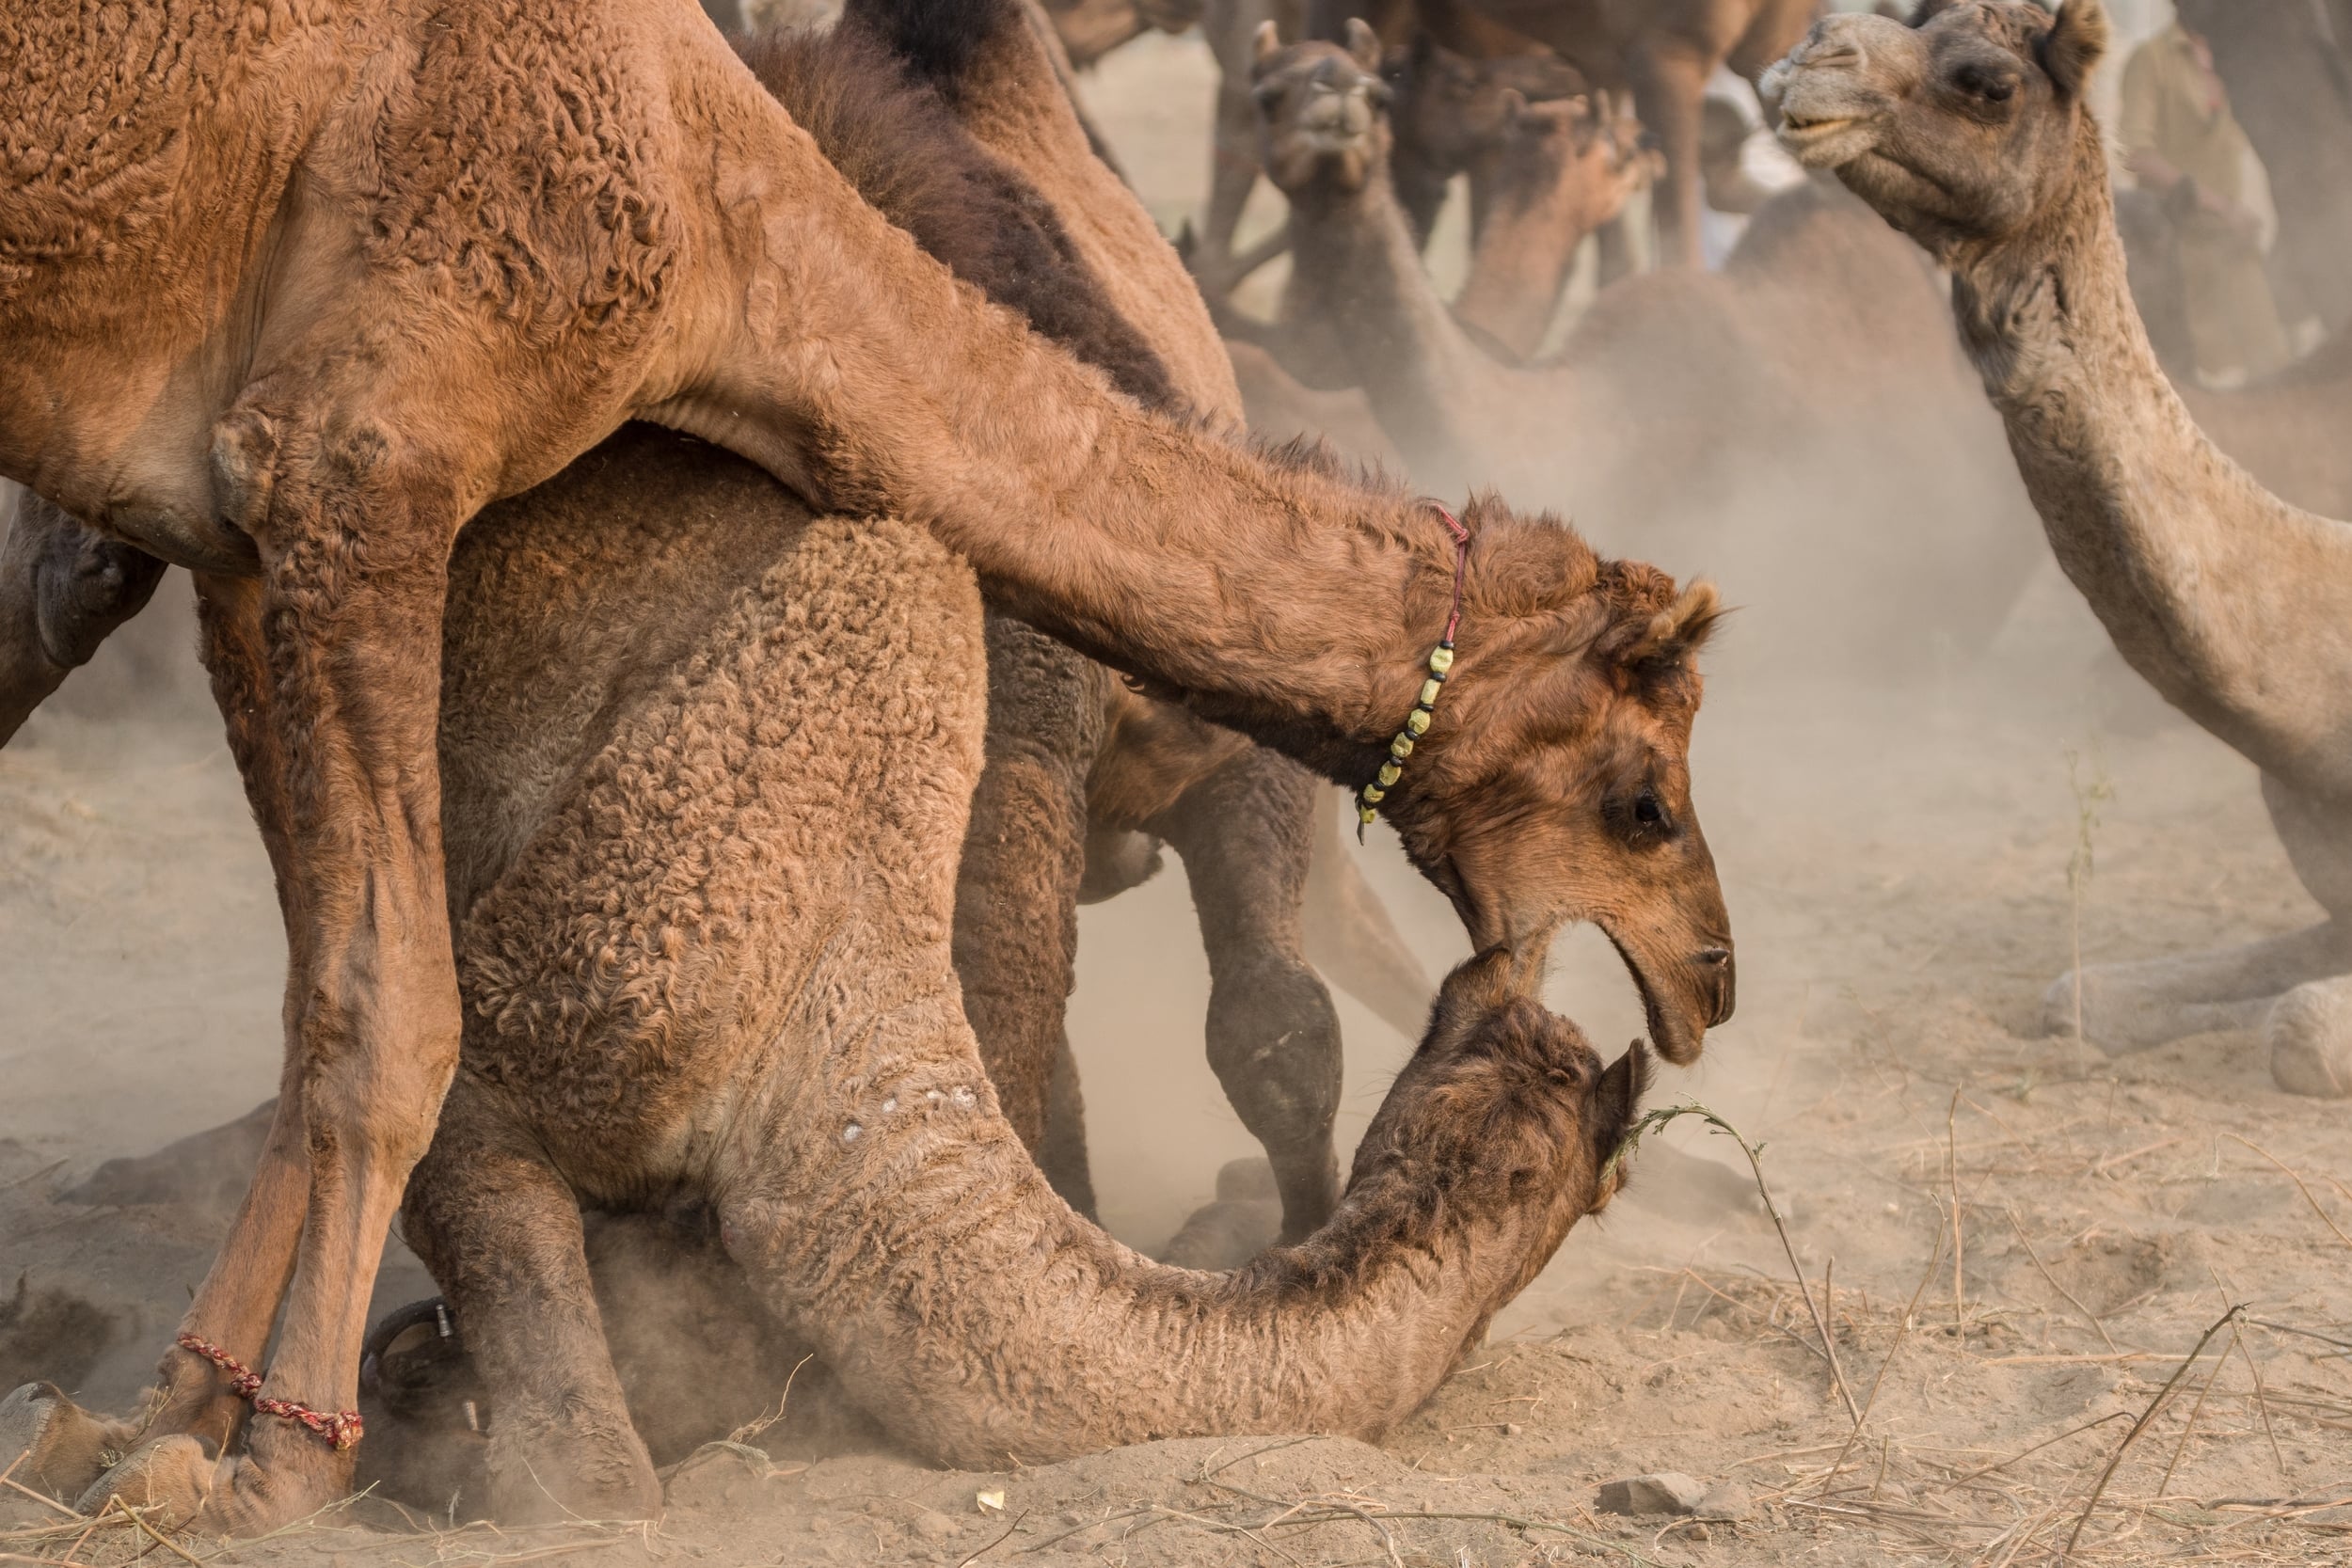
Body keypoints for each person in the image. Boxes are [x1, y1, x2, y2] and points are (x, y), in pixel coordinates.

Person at [2118, 14, 2292, 386]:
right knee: (2203, 381)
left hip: (2235, 243)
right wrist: (2219, 205)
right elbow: (2136, 153)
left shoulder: (2230, 57)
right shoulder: (2151, 60)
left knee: (2273, 365)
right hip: (2178, 251)